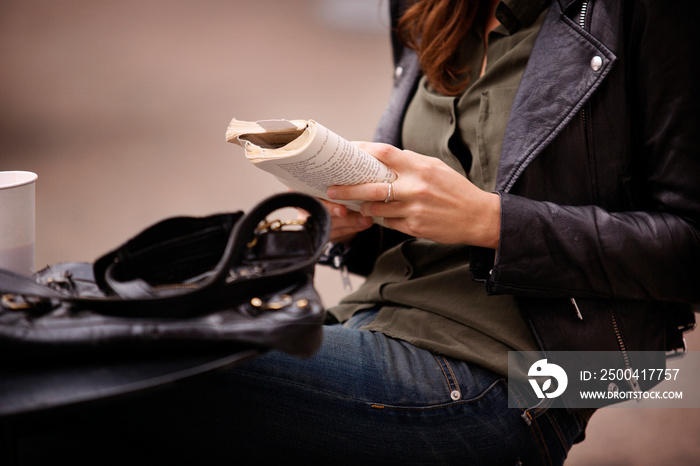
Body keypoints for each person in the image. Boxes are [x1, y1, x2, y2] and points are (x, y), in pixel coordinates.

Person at [10, 0, 699, 464]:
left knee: (83, 363)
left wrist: (491, 222)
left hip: (518, 380)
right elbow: (424, 179)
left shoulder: (640, 17)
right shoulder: (430, 7)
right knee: (57, 327)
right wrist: (352, 217)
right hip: (366, 320)